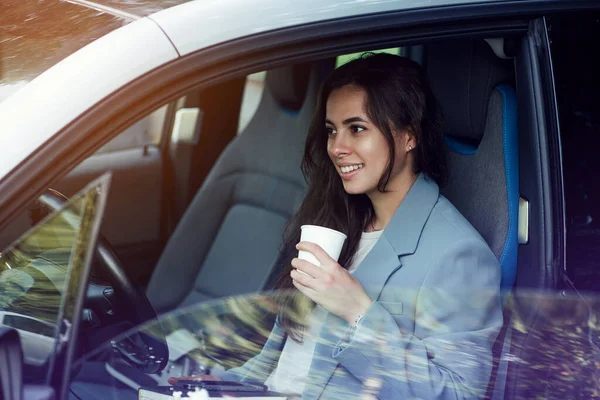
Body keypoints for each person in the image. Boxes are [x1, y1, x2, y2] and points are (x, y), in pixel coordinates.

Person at [170, 53, 503, 399]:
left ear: (410, 136)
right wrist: (215, 388)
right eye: (332, 131)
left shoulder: (458, 255)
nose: (338, 148)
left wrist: (358, 310)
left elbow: (459, 394)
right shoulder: (338, 218)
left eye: (357, 129)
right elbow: (282, 360)